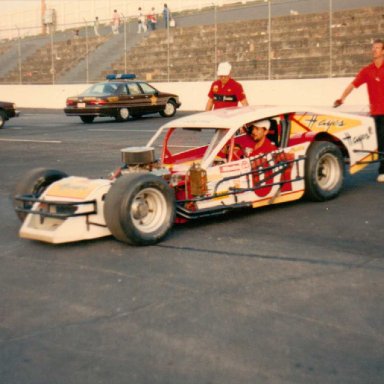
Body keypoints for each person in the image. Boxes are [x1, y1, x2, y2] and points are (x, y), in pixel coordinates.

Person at [334, 39, 384, 182]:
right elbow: (353, 85)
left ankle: (383, 170)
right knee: (379, 142)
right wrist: (342, 98)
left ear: (383, 51)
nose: (374, 50)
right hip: (375, 113)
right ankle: (382, 169)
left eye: (378, 48)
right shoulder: (367, 70)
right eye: (373, 48)